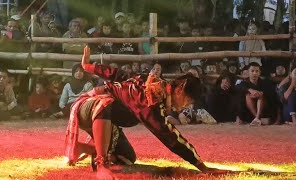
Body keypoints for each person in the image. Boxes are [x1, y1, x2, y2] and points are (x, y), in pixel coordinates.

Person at [65, 46, 228, 179]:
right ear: (180, 89)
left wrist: (89, 67)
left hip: (105, 119)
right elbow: (171, 138)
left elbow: (119, 74)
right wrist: (202, 167)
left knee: (127, 157)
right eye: (187, 101)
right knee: (106, 102)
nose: (185, 107)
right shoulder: (151, 102)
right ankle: (101, 164)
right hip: (89, 108)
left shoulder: (152, 84)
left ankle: (82, 148)